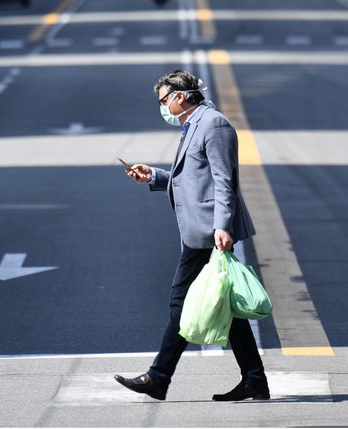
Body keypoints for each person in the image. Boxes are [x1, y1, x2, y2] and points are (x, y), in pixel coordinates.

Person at [114, 70, 269, 401]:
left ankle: (158, 377)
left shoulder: (214, 125)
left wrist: (223, 226)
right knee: (230, 306)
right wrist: (154, 176)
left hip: (208, 231)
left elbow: (224, 179)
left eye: (163, 101)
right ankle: (255, 379)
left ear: (179, 97)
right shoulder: (195, 124)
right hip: (201, 229)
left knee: (180, 302)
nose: (163, 108)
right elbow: (192, 175)